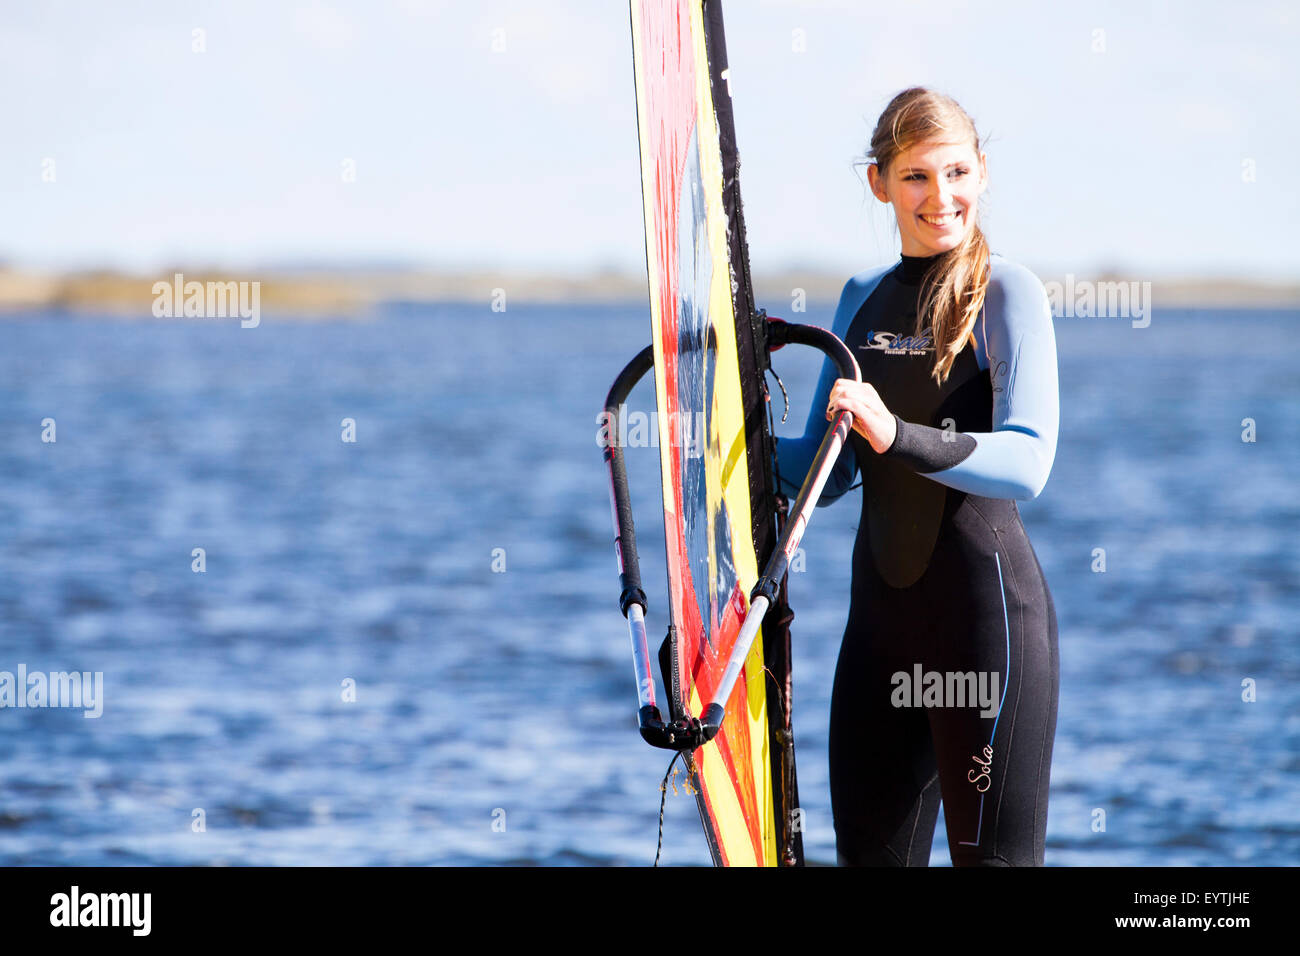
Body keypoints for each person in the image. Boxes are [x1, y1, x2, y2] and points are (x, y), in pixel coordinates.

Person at [774, 87, 1060, 866]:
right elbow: (824, 478)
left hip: (985, 629)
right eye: (916, 178)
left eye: (957, 172)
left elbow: (1029, 460)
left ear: (983, 173)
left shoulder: (1007, 294)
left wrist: (896, 434)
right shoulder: (860, 298)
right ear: (879, 182)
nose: (942, 197)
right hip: (880, 640)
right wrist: (725, 429)